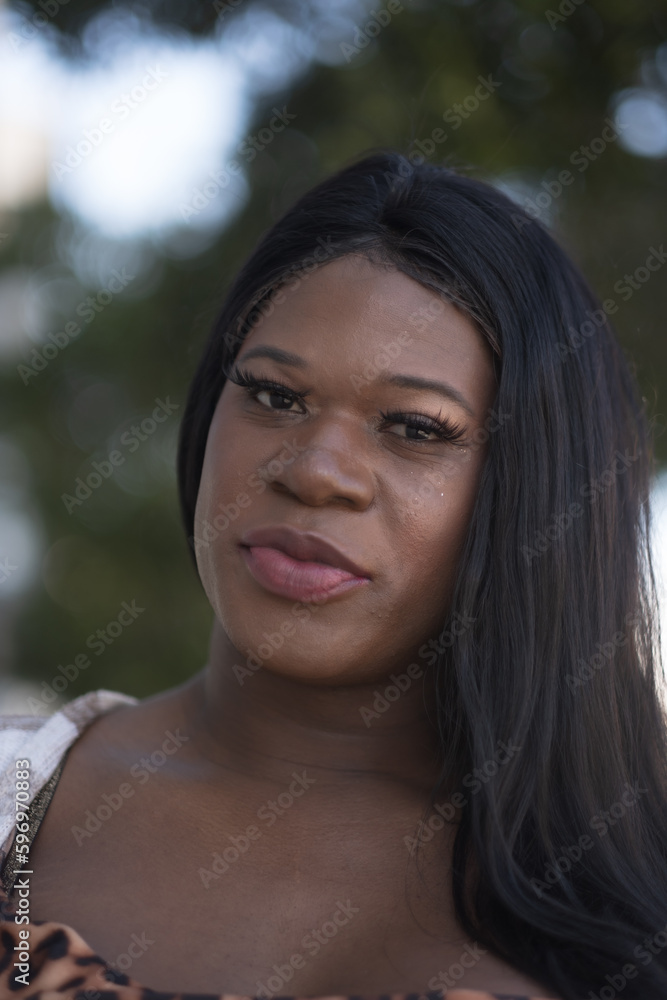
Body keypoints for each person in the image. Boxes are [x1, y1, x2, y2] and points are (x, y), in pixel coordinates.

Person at [1, 149, 666, 1000]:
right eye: (275, 396)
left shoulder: (626, 907)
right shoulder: (22, 792)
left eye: (416, 428)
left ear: (537, 491)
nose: (315, 471)